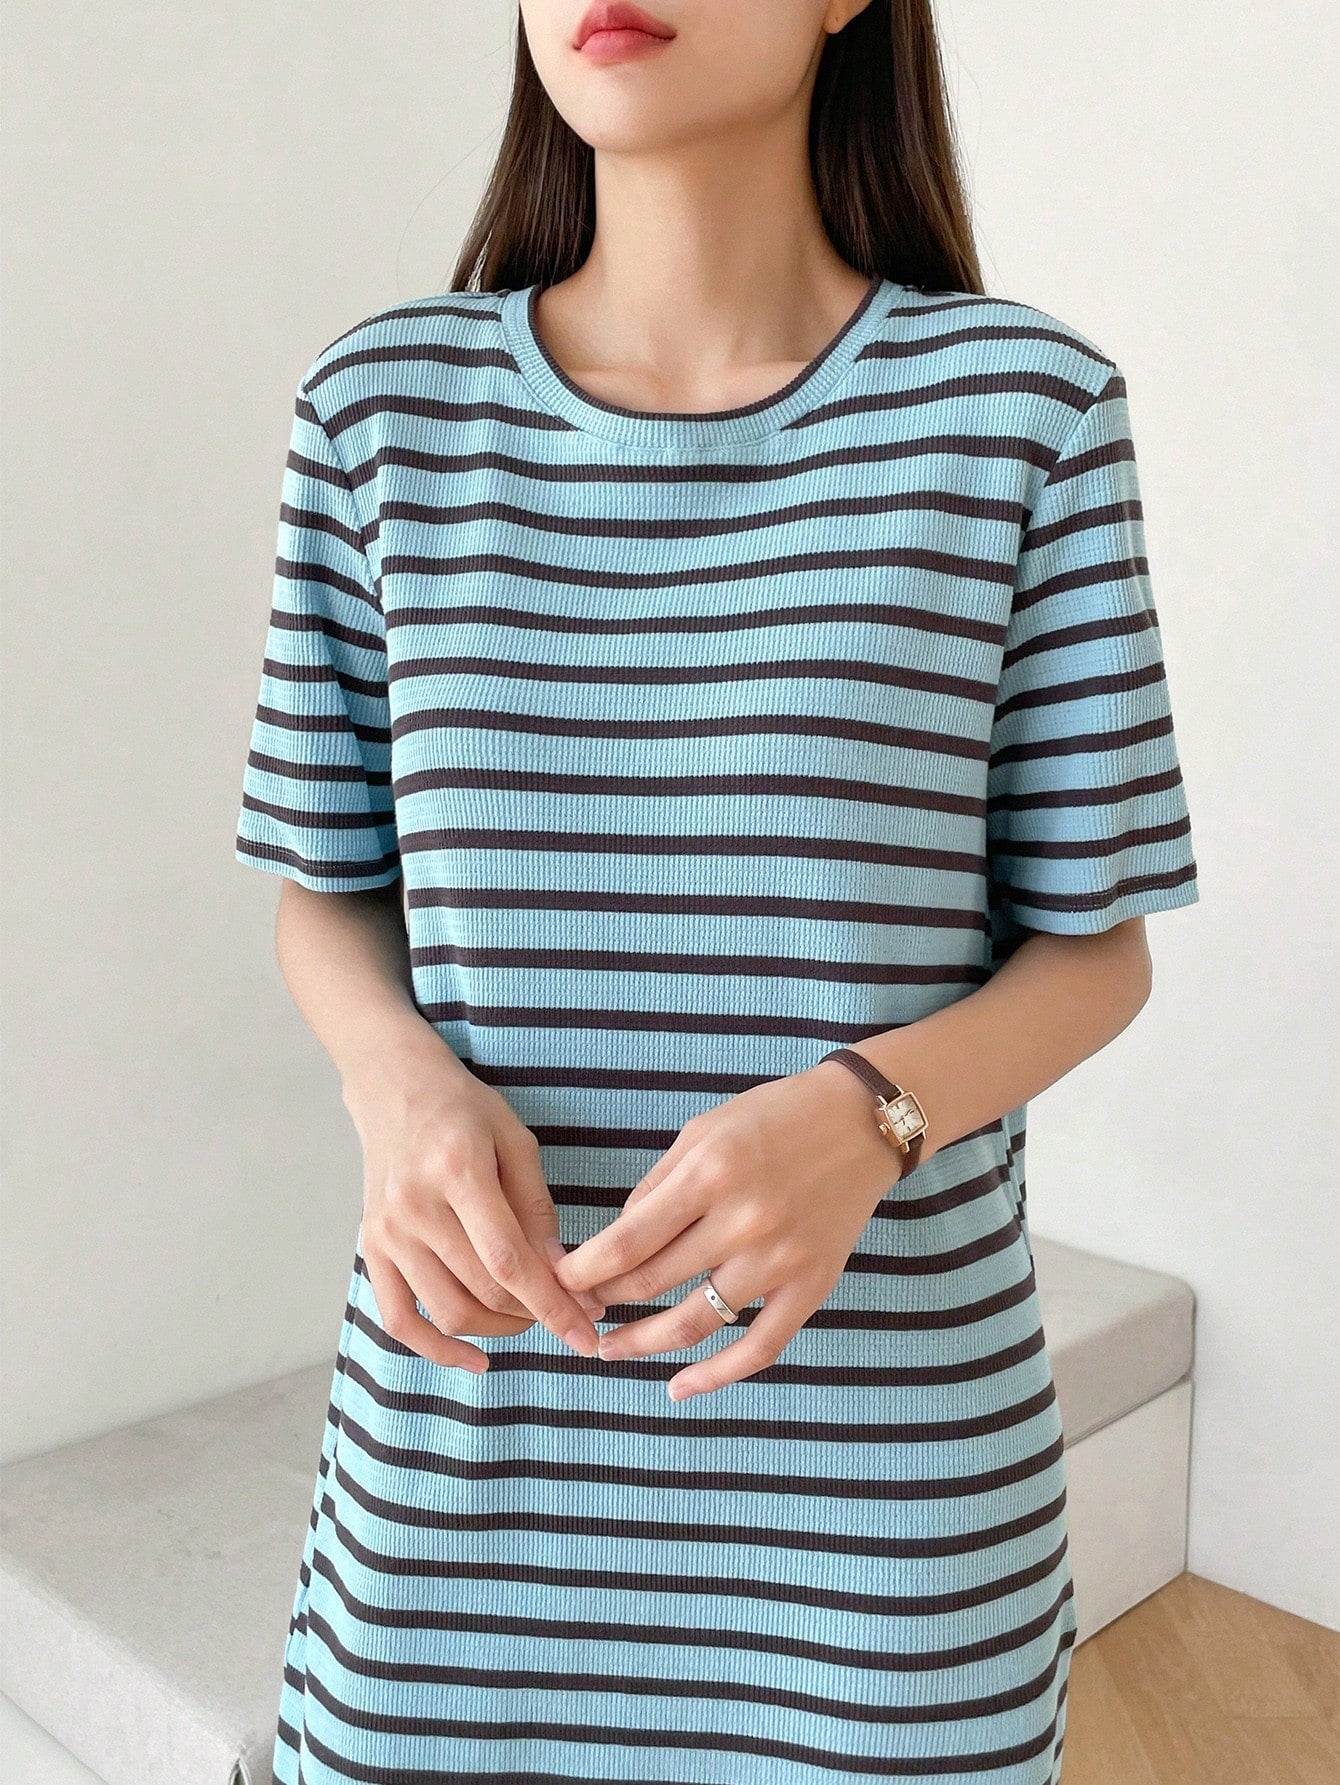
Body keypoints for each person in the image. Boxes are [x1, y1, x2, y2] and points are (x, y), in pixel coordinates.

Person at [233, 2, 1201, 1780]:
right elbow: (328, 889)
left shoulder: (1026, 414)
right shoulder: (380, 413)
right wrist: (397, 1079)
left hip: (883, 1532)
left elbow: (1098, 949)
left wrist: (870, 1114)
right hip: (461, 1503)